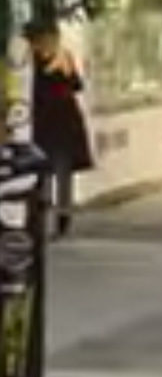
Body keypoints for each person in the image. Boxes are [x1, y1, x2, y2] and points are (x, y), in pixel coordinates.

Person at [28, 20, 92, 240]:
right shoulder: (31, 62)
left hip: (63, 124)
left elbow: (75, 85)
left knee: (62, 172)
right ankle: (42, 218)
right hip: (43, 123)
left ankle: (62, 217)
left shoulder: (62, 59)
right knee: (42, 172)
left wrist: (63, 74)